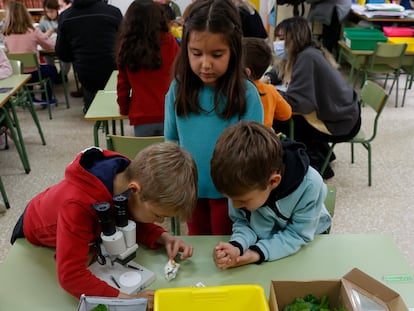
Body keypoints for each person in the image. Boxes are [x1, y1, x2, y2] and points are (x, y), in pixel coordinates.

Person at [10, 142, 198, 308]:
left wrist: (162, 236)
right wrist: (127, 300)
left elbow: (128, 212)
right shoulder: (77, 206)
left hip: (78, 223)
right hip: (35, 233)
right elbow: (70, 276)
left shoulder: (125, 179)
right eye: (158, 215)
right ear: (134, 190)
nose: (159, 221)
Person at [164, 0, 264, 235]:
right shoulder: (178, 89)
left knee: (224, 249)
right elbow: (171, 140)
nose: (205, 64)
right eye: (196, 53)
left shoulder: (247, 94)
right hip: (191, 192)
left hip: (231, 195)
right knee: (197, 247)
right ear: (185, 48)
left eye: (217, 54)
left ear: (233, 51)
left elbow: (254, 152)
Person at [210, 121, 331, 269]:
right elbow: (243, 222)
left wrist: (257, 253)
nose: (234, 206)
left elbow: (298, 235)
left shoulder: (310, 185)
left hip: (306, 244)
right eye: (231, 199)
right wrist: (237, 246)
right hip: (268, 245)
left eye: (242, 200)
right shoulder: (242, 185)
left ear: (273, 181)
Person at [272, 16, 361, 180]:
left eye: (282, 39)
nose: (277, 43)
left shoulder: (307, 58)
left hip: (341, 122)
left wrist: (271, 92)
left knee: (282, 119)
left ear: (294, 38)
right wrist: (269, 79)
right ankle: (321, 151)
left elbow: (301, 104)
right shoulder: (308, 52)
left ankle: (317, 163)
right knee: (291, 119)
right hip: (346, 114)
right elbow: (278, 72)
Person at [117, 0, 179, 137]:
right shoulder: (170, 42)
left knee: (146, 156)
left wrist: (124, 109)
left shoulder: (126, 46)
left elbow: (123, 85)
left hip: (142, 115)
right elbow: (180, 75)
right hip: (170, 112)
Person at [55, 0, 122, 113]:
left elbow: (62, 53)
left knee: (87, 71)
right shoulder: (113, 12)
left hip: (85, 72)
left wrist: (78, 56)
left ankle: (90, 107)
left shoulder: (65, 17)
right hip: (113, 68)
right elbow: (124, 43)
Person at [2, 1, 58, 105]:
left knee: (27, 67)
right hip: (34, 73)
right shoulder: (33, 31)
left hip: (17, 73)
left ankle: (30, 97)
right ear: (26, 14)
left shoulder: (6, 33)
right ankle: (47, 98)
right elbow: (50, 46)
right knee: (52, 69)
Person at [242, 37, 292, 128]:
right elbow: (286, 114)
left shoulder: (235, 90)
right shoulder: (270, 90)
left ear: (246, 72)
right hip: (264, 139)